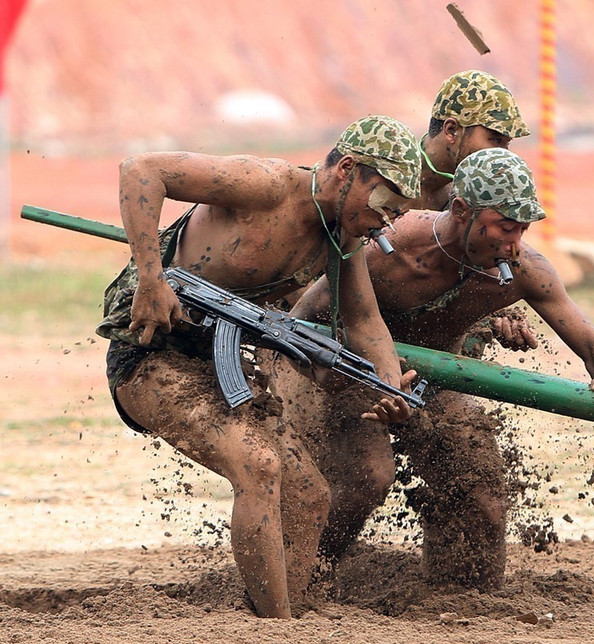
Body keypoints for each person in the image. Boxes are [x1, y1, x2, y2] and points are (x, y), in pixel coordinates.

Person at [94, 115, 423, 618]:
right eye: (383, 202)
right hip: (149, 354)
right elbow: (141, 170)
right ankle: (276, 630)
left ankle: (283, 609)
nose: (388, 220)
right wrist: (150, 279)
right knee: (258, 465)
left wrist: (389, 386)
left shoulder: (343, 241)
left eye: (397, 212)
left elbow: (364, 321)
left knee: (310, 494)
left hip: (218, 366)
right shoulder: (267, 186)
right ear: (348, 170)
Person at [283, 148, 594, 590]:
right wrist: (338, 376)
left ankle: (464, 596)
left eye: (523, 230)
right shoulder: (388, 248)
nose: (514, 244)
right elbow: (299, 321)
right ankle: (300, 580)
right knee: (367, 479)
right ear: (460, 211)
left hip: (436, 384)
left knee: (481, 487)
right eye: (505, 228)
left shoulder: (526, 269)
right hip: (354, 375)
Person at [413, 69, 530, 211]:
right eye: (496, 140)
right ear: (451, 130)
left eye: (507, 144)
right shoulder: (389, 176)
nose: (503, 155)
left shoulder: (474, 196)